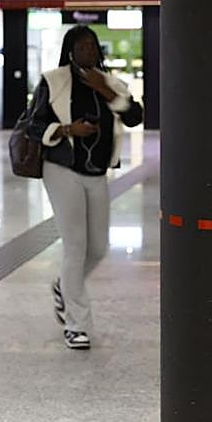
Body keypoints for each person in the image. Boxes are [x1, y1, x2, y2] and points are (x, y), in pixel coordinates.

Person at [27, 25, 143, 350]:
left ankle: (65, 287)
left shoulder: (111, 83)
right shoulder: (54, 81)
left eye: (92, 46)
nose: (89, 52)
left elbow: (134, 116)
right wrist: (67, 129)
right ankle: (77, 325)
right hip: (61, 169)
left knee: (98, 248)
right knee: (75, 247)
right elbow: (32, 124)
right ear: (70, 51)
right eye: (82, 47)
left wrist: (105, 90)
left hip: (96, 173)